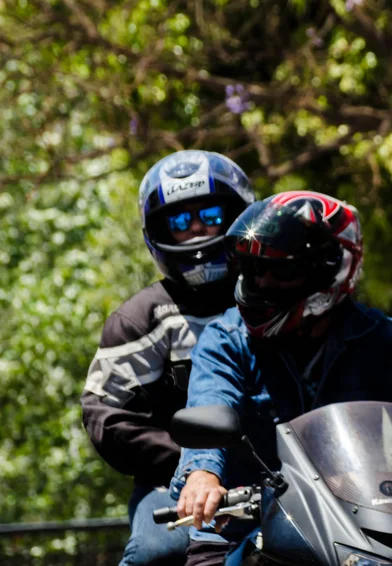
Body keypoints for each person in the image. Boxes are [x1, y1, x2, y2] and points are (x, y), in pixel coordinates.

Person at [169, 191, 392, 566]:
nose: (263, 281)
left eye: (281, 270)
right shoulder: (227, 340)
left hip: (361, 528)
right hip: (244, 527)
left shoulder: (378, 336)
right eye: (254, 270)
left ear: (330, 268)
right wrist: (202, 474)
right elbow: (211, 399)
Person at [81, 149, 255, 566]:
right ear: (158, 232)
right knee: (155, 553)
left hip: (288, 474)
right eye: (180, 221)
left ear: (239, 214)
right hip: (174, 486)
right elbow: (105, 416)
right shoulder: (140, 319)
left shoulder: (275, 294)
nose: (196, 229)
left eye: (210, 215)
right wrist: (187, 464)